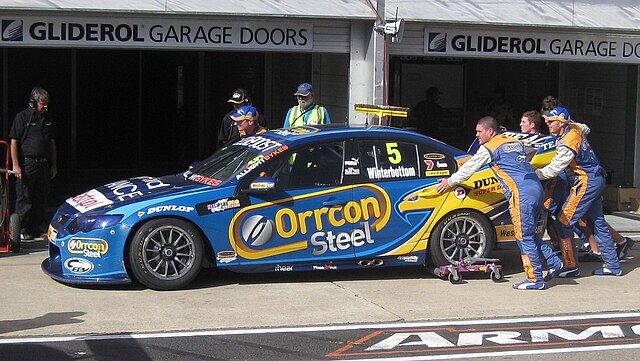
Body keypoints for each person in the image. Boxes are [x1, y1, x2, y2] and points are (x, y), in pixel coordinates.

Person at [437, 116, 563, 290]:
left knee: (522, 236)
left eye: (479, 131)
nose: (477, 136)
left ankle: (535, 279)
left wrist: (449, 182)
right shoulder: (513, 140)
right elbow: (533, 151)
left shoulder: (489, 147)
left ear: (490, 131)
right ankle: (554, 262)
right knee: (529, 233)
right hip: (535, 187)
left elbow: (469, 168)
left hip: (521, 193)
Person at [537, 107, 622, 277]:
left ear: (561, 123)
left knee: (563, 221)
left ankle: (571, 266)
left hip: (586, 181)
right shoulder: (575, 128)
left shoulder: (568, 142)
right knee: (598, 222)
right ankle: (613, 265)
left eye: (550, 121)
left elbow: (554, 169)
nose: (547, 123)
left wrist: (533, 174)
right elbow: (585, 128)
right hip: (597, 177)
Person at [9, 86, 58, 239]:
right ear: (33, 102)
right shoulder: (22, 117)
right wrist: (16, 165)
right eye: (43, 103)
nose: (46, 106)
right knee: (24, 196)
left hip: (43, 164)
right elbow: (14, 141)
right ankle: (20, 230)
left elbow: (51, 143)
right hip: (27, 163)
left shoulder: (48, 119)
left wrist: (54, 165)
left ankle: (35, 227)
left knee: (41, 196)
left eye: (47, 103)